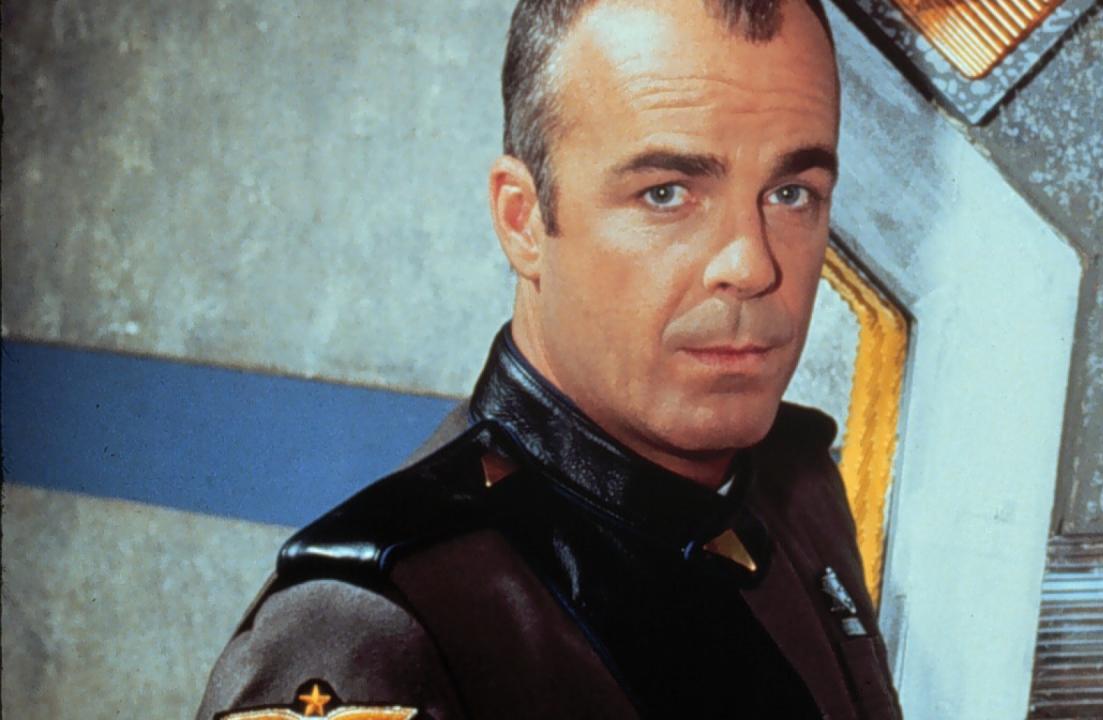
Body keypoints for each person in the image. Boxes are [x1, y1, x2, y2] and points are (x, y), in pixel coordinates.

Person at [198, 0, 902, 717]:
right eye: (666, 194)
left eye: (791, 194)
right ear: (524, 220)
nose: (751, 266)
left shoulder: (795, 488)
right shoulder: (373, 627)